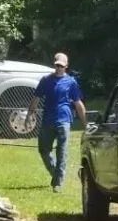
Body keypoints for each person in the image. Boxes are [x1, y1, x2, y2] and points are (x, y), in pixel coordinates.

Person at [31, 52, 86, 191]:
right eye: (57, 65)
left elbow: (78, 103)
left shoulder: (71, 82)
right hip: (47, 121)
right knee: (44, 150)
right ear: (54, 64)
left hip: (64, 120)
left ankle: (58, 183)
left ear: (66, 66)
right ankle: (56, 173)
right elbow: (36, 99)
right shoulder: (45, 80)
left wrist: (85, 123)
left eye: (62, 66)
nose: (59, 68)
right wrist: (28, 116)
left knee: (62, 152)